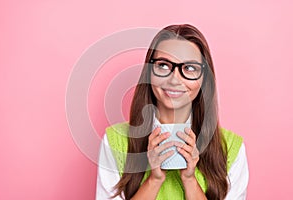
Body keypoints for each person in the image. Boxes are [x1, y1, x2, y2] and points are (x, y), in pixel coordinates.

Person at [96, 24, 249, 200]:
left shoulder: (230, 148)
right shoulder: (115, 141)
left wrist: (189, 180)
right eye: (163, 65)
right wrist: (155, 179)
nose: (174, 79)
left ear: (204, 78)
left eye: (190, 68)